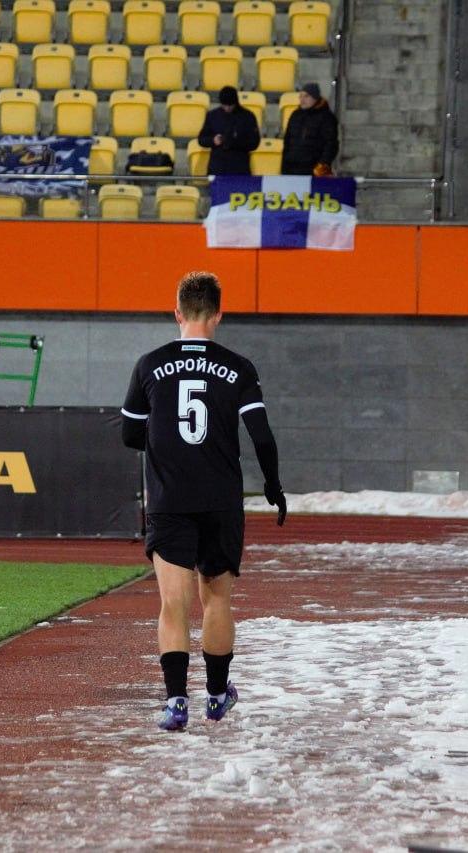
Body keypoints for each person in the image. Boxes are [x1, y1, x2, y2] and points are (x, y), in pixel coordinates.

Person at [120, 271, 287, 731]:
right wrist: (273, 486)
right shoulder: (239, 367)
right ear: (218, 314)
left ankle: (176, 702)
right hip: (220, 500)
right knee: (216, 601)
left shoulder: (149, 364)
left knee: (173, 604)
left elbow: (130, 433)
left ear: (177, 313)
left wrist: (165, 441)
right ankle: (216, 696)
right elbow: (263, 437)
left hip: (170, 499)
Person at [197, 86, 260, 176]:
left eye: (230, 105)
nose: (227, 108)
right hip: (217, 168)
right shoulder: (212, 115)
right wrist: (213, 140)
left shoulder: (247, 116)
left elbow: (254, 143)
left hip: (239, 168)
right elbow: (201, 139)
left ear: (236, 102)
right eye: (224, 105)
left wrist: (234, 141)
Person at [281, 82, 339, 176]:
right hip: (291, 168)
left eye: (306, 96)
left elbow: (331, 144)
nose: (302, 99)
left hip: (312, 169)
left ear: (315, 98)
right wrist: (284, 166)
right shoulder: (295, 115)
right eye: (300, 96)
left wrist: (322, 165)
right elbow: (287, 142)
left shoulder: (326, 117)